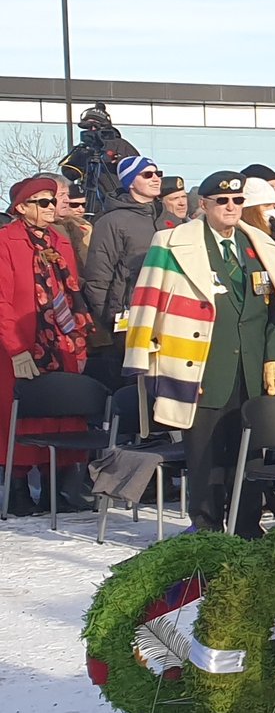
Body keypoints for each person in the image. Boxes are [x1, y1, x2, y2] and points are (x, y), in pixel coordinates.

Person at [122, 173, 275, 536]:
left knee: (251, 453)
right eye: (222, 201)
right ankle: (207, 529)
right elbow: (147, 302)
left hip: (253, 367)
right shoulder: (173, 243)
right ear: (204, 205)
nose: (231, 207)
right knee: (205, 455)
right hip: (199, 366)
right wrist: (150, 364)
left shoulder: (261, 245)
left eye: (238, 201)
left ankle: (247, 526)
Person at [2, 176, 95, 513]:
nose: (52, 208)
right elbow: (2, 302)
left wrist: (77, 337)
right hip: (22, 343)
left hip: (61, 340)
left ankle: (59, 487)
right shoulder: (6, 242)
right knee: (23, 417)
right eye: (42, 202)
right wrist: (15, 349)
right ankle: (18, 489)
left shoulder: (60, 240)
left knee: (64, 414)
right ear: (21, 208)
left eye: (53, 201)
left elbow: (70, 293)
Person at [81, 155, 171, 388]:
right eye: (147, 174)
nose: (156, 179)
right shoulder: (111, 222)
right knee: (134, 391)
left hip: (170, 318)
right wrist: (112, 321)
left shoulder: (170, 219)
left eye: (158, 174)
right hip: (130, 321)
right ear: (130, 182)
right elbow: (97, 279)